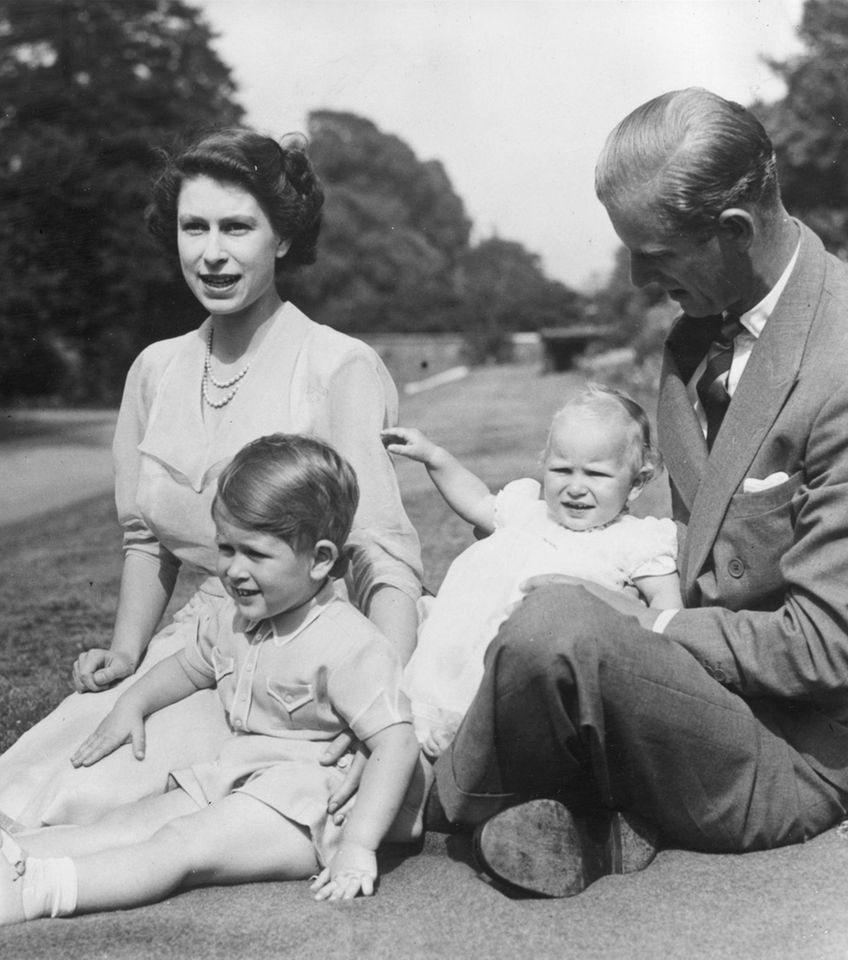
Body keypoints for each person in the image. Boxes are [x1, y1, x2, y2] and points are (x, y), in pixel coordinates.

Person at [427, 87, 848, 898]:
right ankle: (590, 813)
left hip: (783, 748)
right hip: (690, 685)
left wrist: (649, 623)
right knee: (515, 595)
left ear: (733, 231)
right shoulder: (703, 330)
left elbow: (827, 648)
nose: (636, 278)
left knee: (555, 626)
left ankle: (412, 798)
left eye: (655, 255)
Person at [0, 128, 421, 828]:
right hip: (200, 641)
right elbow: (145, 537)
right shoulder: (155, 370)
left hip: (306, 650)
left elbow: (381, 555)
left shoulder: (336, 365)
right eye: (194, 227)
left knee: (84, 802)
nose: (213, 252)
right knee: (34, 768)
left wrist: (378, 700)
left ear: (282, 239)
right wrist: (127, 654)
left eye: (237, 227)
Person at [0, 434, 421, 924]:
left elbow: (397, 743)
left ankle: (40, 891)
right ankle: (18, 853)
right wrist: (132, 704)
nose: (234, 570)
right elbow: (188, 665)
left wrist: (358, 844)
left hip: (309, 806)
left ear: (321, 559)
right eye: (225, 548)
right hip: (236, 775)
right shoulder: (237, 618)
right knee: (130, 821)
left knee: (181, 845)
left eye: (255, 555)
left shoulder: (349, 642)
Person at [383, 384, 680, 757]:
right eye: (560, 470)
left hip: (535, 673)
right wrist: (433, 456)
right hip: (463, 649)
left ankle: (474, 738)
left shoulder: (637, 541)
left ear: (636, 483)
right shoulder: (529, 512)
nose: (575, 487)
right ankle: (431, 730)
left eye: (595, 474)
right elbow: (477, 501)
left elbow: (669, 615)